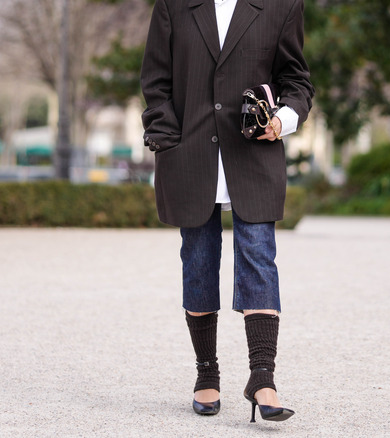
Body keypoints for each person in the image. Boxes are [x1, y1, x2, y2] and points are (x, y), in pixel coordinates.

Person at [140, 0, 314, 423]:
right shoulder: (174, 5)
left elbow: (296, 80)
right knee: (198, 263)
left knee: (259, 258)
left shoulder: (281, 6)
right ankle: (206, 372)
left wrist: (282, 120)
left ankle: (262, 377)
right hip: (190, 157)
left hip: (254, 156)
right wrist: (167, 139)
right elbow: (155, 80)